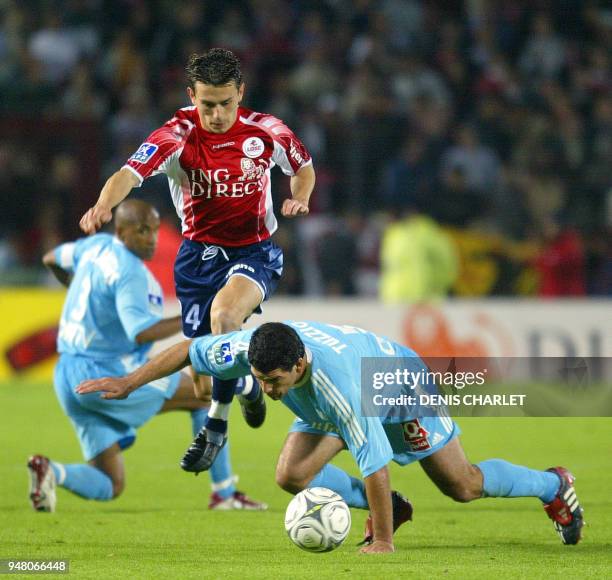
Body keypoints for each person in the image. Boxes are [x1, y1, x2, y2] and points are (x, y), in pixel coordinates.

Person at [76, 320, 584, 554]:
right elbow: (189, 348)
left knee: (462, 485)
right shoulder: (251, 349)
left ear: (298, 365)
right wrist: (128, 382)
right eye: (262, 379)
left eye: (274, 382)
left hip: (394, 382)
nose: (270, 392)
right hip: (332, 392)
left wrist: (382, 543)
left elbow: (374, 460)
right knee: (291, 474)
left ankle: (552, 485)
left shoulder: (340, 389)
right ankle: (393, 509)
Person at [78, 48, 315, 463]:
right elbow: (126, 175)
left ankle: (216, 426)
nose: (218, 114)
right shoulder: (175, 136)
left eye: (226, 103)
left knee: (225, 316)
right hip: (197, 259)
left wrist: (300, 197)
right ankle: (245, 388)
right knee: (204, 377)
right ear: (192, 95)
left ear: (241, 92)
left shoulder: (268, 131)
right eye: (208, 104)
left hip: (254, 252)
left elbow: (303, 167)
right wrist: (103, 205)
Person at [28, 200, 266, 513]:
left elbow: (51, 258)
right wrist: (193, 317)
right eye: (142, 231)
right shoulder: (129, 272)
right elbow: (139, 332)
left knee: (111, 483)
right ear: (121, 231)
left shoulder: (95, 246)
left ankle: (51, 471)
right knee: (203, 396)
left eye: (153, 230)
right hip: (105, 372)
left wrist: (75, 285)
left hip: (67, 376)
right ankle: (225, 493)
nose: (151, 238)